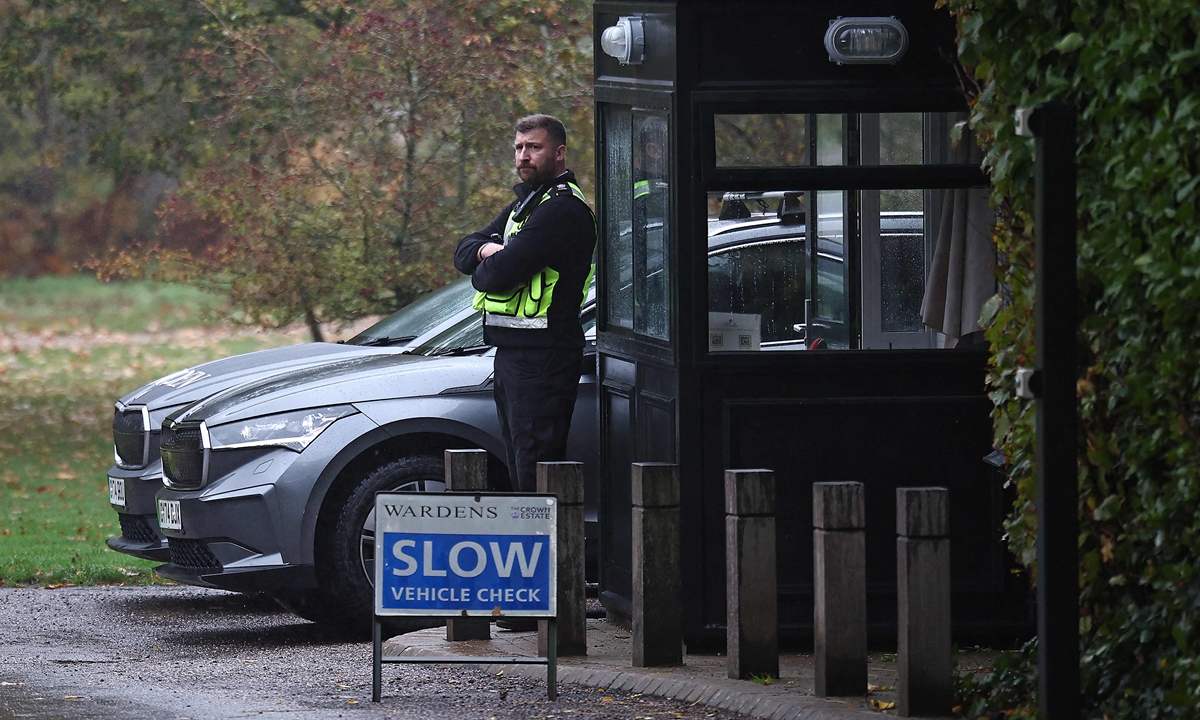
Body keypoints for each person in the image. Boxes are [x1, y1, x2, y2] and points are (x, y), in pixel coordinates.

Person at [454, 114, 596, 496]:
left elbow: (492, 275)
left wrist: (490, 262)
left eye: (534, 147)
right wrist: (487, 249)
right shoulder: (528, 204)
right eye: (519, 148)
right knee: (522, 465)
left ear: (559, 152)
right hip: (516, 356)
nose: (523, 156)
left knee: (536, 472)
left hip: (544, 361)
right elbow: (464, 250)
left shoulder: (561, 210)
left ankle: (545, 552)